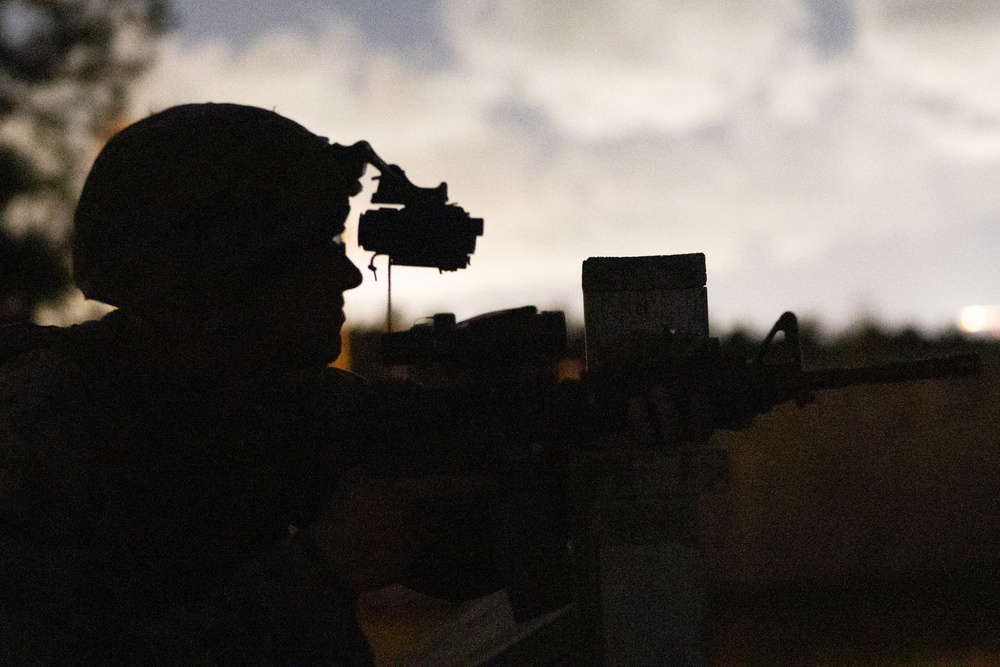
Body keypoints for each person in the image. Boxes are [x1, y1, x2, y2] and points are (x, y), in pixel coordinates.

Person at [0, 103, 401, 663]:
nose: (348, 274)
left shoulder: (274, 402)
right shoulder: (39, 439)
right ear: (217, 279)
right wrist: (323, 568)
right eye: (314, 248)